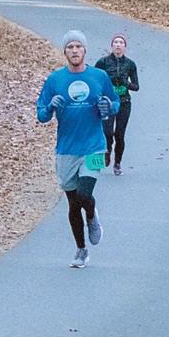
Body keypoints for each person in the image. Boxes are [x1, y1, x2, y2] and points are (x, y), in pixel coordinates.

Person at [36, 30, 119, 268]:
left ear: (85, 51)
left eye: (78, 47)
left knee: (84, 194)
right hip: (66, 150)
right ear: (65, 52)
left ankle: (92, 217)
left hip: (94, 147)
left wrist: (107, 106)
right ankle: (81, 250)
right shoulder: (55, 80)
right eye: (70, 47)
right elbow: (41, 114)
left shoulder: (99, 76)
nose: (74, 51)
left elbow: (114, 102)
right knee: (73, 204)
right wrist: (51, 107)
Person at [94, 33, 139, 175]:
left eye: (121, 43)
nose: (118, 45)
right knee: (107, 133)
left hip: (124, 102)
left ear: (125, 47)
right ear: (111, 46)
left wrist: (126, 83)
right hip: (107, 103)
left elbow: (136, 86)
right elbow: (94, 81)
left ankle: (117, 163)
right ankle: (107, 151)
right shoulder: (103, 62)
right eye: (115, 42)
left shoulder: (130, 64)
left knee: (119, 135)